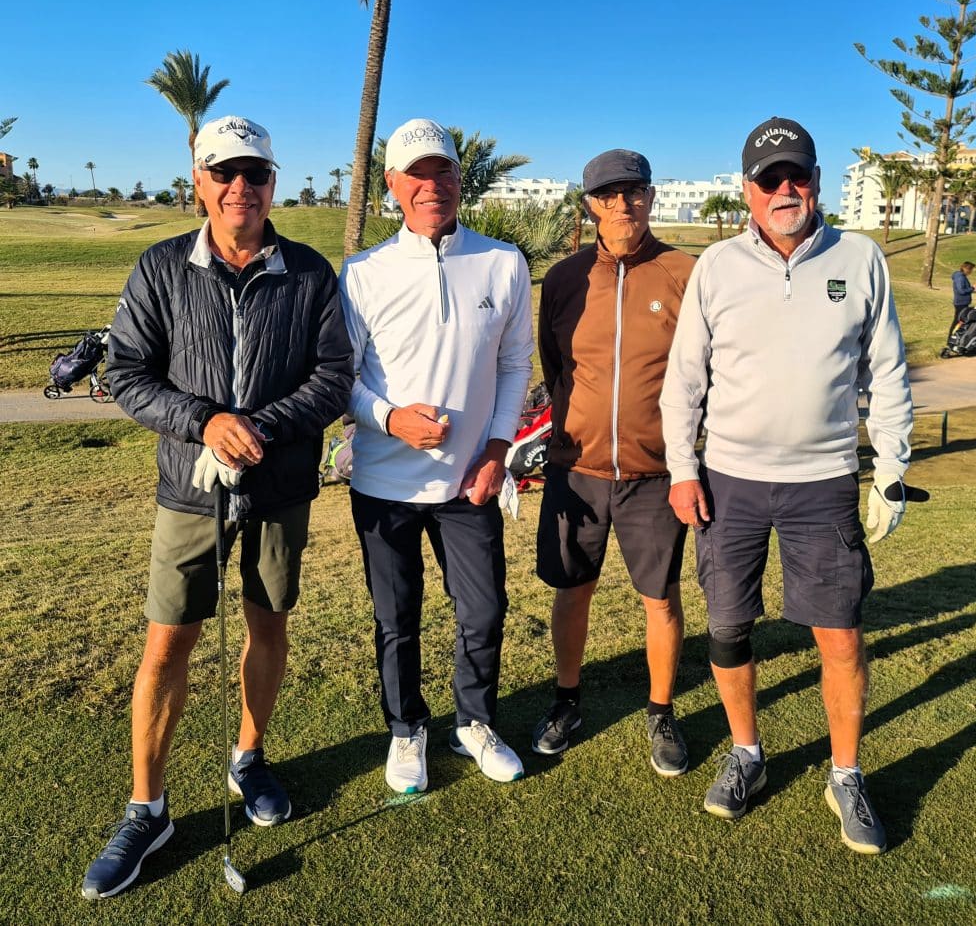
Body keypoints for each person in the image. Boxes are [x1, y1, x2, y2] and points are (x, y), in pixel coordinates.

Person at [82, 115, 353, 899]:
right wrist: (204, 421)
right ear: (198, 181)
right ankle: (147, 809)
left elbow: (334, 375)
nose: (241, 187)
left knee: (268, 623)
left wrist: (258, 426)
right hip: (189, 488)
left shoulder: (308, 273)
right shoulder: (162, 267)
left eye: (255, 174)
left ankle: (248, 757)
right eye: (224, 173)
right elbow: (127, 373)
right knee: (168, 641)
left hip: (279, 485)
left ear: (274, 183)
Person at [661, 116, 918, 855]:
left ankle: (845, 773)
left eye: (796, 175)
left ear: (816, 180)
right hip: (730, 481)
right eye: (768, 178)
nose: (784, 190)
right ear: (748, 189)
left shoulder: (860, 258)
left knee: (839, 632)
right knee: (728, 626)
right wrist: (682, 468)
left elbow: (888, 373)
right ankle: (747, 752)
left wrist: (891, 470)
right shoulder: (717, 266)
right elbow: (685, 379)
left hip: (823, 480)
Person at [340, 118, 533, 794]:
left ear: (459, 178)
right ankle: (406, 729)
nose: (431, 186)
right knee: (396, 620)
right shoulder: (362, 273)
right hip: (382, 481)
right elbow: (342, 378)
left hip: (468, 482)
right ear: (392, 184)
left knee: (483, 610)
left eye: (442, 171)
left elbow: (515, 364)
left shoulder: (503, 261)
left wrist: (498, 450)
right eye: (415, 175)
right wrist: (391, 418)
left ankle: (473, 722)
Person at [531, 149, 696, 775]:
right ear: (590, 205)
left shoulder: (684, 271)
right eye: (608, 195)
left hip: (656, 473)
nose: (623, 204)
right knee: (572, 591)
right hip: (578, 470)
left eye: (634, 191)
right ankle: (566, 700)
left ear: (651, 196)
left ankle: (661, 710)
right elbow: (555, 366)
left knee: (660, 597)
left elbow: (701, 369)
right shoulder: (565, 278)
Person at [948, 261, 976, 341]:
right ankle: (951, 339)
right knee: (958, 321)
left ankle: (958, 338)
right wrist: (972, 288)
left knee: (961, 321)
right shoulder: (960, 277)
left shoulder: (961, 276)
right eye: (971, 269)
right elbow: (961, 290)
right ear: (967, 269)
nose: (972, 272)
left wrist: (971, 289)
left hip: (962, 302)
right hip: (961, 303)